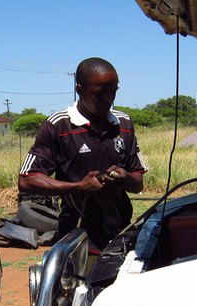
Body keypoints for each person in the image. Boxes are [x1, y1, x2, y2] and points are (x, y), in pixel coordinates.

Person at [18, 57, 148, 251]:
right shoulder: (58, 125)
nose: (108, 99)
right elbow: (27, 180)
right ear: (79, 89)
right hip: (77, 238)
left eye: (113, 92)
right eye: (100, 93)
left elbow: (137, 184)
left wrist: (125, 177)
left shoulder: (124, 124)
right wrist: (79, 187)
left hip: (122, 233)